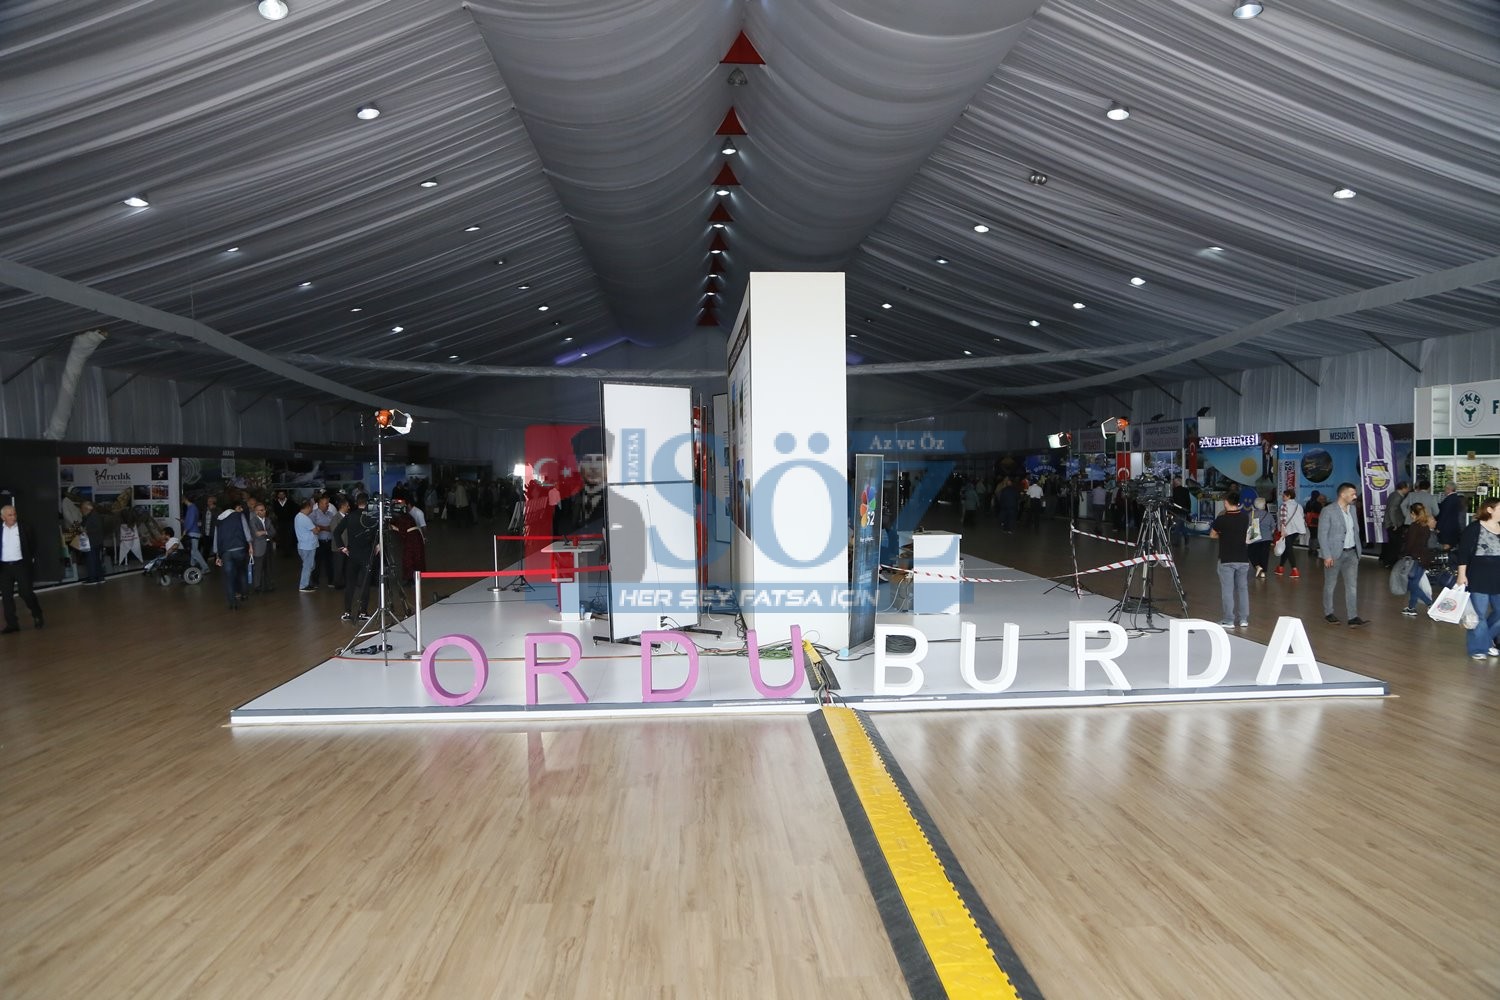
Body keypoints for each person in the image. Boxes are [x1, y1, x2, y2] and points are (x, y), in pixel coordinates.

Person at [1453, 497, 1500, 661]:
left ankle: (1486, 641)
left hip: (1497, 575)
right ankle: (1478, 648)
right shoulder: (1474, 528)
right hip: (1479, 575)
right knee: (1478, 614)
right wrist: (1461, 574)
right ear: (1490, 510)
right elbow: (1463, 553)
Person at [1318, 482, 1368, 627]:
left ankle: (1353, 617)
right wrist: (1327, 555)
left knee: (1352, 586)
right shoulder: (1328, 511)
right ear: (1343, 494)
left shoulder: (1352, 509)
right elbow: (1322, 534)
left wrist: (1358, 551)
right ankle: (1329, 613)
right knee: (1330, 585)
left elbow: (1355, 531)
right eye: (1352, 494)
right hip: (1334, 555)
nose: (1355, 496)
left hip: (1352, 553)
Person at [1210, 489, 1251, 628]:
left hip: (1226, 559)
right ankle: (1244, 619)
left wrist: (1223, 535)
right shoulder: (1245, 517)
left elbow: (1212, 535)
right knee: (1243, 589)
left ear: (1226, 502)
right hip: (1243, 559)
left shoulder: (1221, 519)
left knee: (1228, 590)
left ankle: (1229, 620)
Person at [0, 505, 44, 633]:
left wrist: (31, 559)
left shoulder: (25, 527)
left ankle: (37, 614)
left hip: (21, 565)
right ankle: (12, 624)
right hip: (4, 568)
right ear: (2, 517)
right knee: (6, 597)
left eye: (14, 514)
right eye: (10, 515)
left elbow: (33, 544)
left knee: (26, 593)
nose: (13, 517)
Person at [334, 495, 378, 621]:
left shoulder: (350, 516)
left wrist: (342, 547)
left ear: (356, 503)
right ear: (368, 503)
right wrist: (378, 545)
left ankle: (347, 612)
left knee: (350, 584)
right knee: (365, 584)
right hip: (367, 554)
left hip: (352, 554)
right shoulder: (371, 517)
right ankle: (363, 612)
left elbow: (336, 532)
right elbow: (378, 533)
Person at [213, 498, 253, 611]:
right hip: (240, 548)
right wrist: (250, 545)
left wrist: (217, 555)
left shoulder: (219, 519)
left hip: (226, 552)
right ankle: (244, 594)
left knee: (229, 578)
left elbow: (216, 538)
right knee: (242, 572)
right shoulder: (239, 516)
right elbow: (246, 531)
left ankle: (233, 603)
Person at [1400, 503, 1437, 617]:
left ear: (1413, 513)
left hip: (1415, 558)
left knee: (1412, 584)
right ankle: (1411, 607)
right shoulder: (1425, 526)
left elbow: (1410, 544)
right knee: (1414, 583)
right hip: (1425, 558)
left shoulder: (1414, 526)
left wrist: (1403, 555)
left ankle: (1430, 603)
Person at [1275, 489, 1306, 578]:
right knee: (1287, 547)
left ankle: (1294, 569)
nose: (1282, 497)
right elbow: (1302, 516)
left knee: (1289, 549)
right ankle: (1280, 567)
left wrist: (1282, 530)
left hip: (1287, 530)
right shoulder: (1298, 505)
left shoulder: (1284, 505)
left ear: (1289, 496)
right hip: (1297, 530)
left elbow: (1283, 519)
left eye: (1284, 496)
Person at [309, 493, 338, 588]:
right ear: (319, 504)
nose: (328, 505)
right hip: (319, 542)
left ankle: (331, 581)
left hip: (329, 541)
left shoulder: (330, 514)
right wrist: (325, 528)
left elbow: (333, 527)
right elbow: (313, 527)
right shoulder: (313, 514)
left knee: (330, 562)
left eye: (328, 503)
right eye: (326, 503)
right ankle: (315, 582)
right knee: (317, 562)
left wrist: (322, 527)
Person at [249, 501, 277, 592]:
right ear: (256, 512)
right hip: (258, 547)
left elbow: (273, 532)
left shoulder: (268, 520)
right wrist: (267, 532)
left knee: (268, 566)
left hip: (268, 545)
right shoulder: (253, 521)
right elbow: (256, 534)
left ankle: (268, 585)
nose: (264, 511)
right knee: (258, 567)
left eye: (264, 510)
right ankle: (257, 586)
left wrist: (264, 532)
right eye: (261, 510)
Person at [1381, 482, 1411, 568]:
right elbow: (1392, 511)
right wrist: (1394, 524)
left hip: (1392, 523)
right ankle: (1390, 562)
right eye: (1407, 488)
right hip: (1394, 524)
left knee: (1392, 544)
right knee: (1395, 545)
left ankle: (1387, 561)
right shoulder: (1397, 497)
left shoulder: (1393, 494)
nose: (1408, 490)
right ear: (1403, 488)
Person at [1248, 497, 1276, 579]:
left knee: (1250, 552)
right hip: (1267, 538)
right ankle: (1263, 573)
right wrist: (1270, 533)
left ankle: (1257, 566)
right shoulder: (1268, 515)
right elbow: (1273, 527)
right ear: (1263, 505)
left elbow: (1248, 526)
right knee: (1264, 555)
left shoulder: (1251, 514)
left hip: (1255, 537)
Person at [80, 500, 107, 584]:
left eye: (82, 508)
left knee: (91, 560)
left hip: (92, 541)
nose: (81, 510)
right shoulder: (92, 515)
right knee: (96, 560)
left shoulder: (93, 516)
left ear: (87, 508)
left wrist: (86, 530)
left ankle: (92, 578)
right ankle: (100, 577)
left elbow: (97, 528)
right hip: (96, 541)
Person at [295, 499, 318, 592]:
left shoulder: (298, 516)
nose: (312, 509)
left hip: (304, 545)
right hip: (308, 546)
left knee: (310, 565)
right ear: (308, 507)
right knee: (308, 566)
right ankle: (303, 585)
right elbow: (315, 531)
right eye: (311, 507)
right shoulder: (305, 518)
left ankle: (308, 583)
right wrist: (318, 528)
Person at [1436, 483, 1465, 550]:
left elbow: (1444, 514)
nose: (1444, 490)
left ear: (1449, 489)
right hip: (1453, 527)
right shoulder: (1456, 498)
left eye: (1445, 488)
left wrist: (1438, 527)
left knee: (1445, 545)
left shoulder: (1449, 499)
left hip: (1446, 527)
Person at [1170, 477, 1192, 546]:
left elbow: (1171, 502)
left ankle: (1176, 542)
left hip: (1176, 511)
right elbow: (1188, 501)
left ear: (1176, 482)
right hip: (1184, 511)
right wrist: (1188, 510)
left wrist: (1170, 511)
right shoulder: (1186, 490)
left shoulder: (1173, 491)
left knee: (1177, 526)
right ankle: (1186, 537)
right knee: (1181, 526)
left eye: (1174, 482)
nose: (1173, 483)